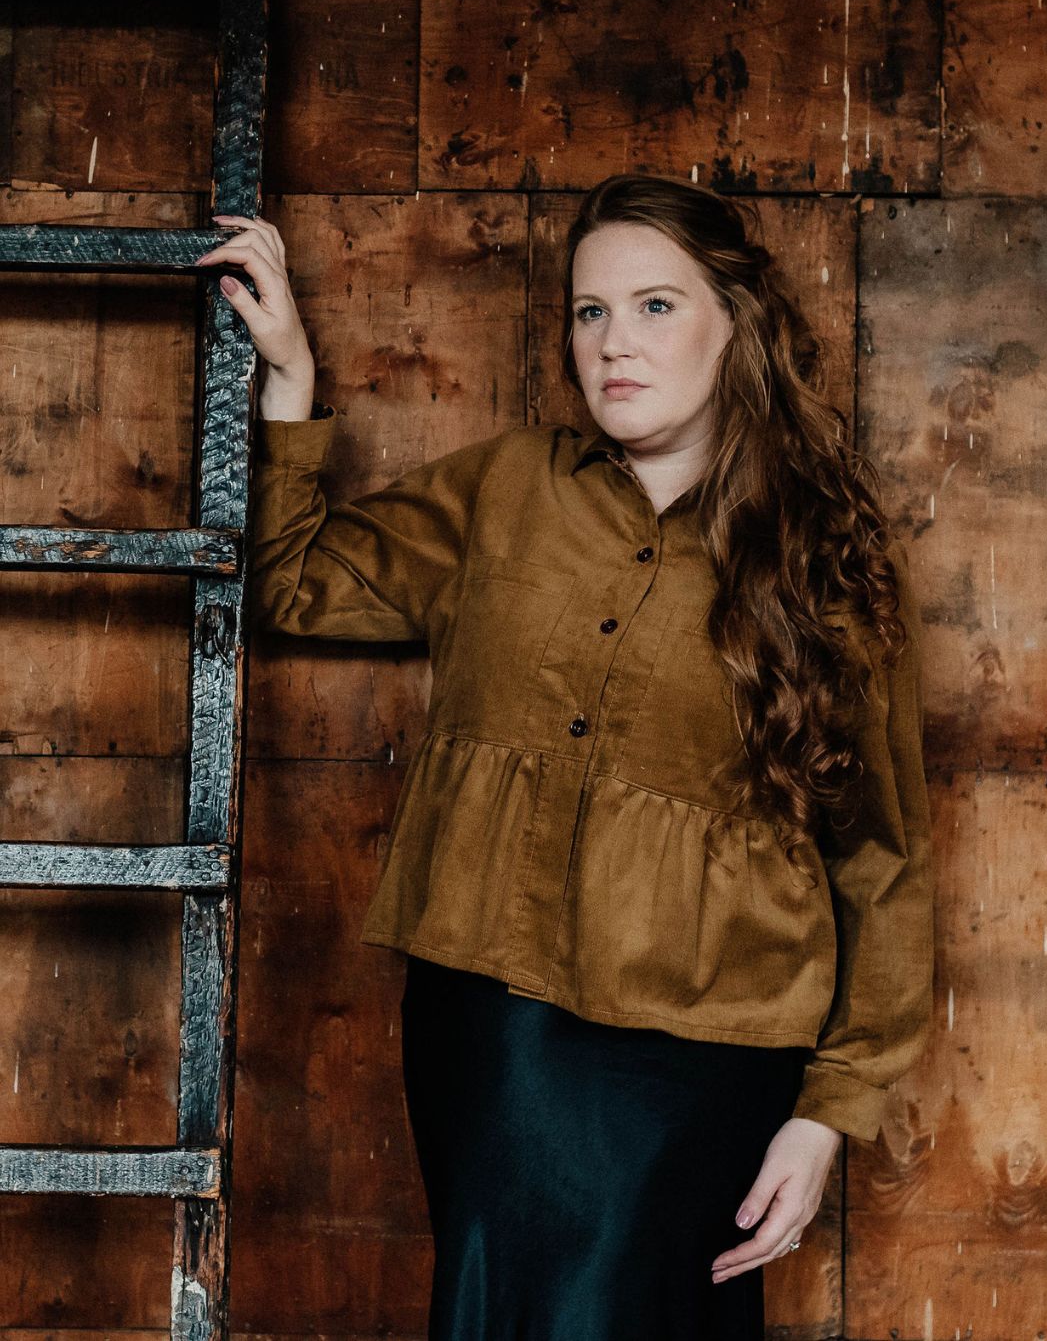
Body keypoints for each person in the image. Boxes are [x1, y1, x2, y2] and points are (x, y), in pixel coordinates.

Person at [196, 172, 934, 1339]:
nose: (613, 344)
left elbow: (883, 860)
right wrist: (291, 380)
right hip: (499, 1028)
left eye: (653, 306)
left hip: (708, 1051)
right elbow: (297, 580)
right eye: (590, 312)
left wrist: (830, 1111)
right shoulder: (508, 489)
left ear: (734, 322)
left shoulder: (827, 552)